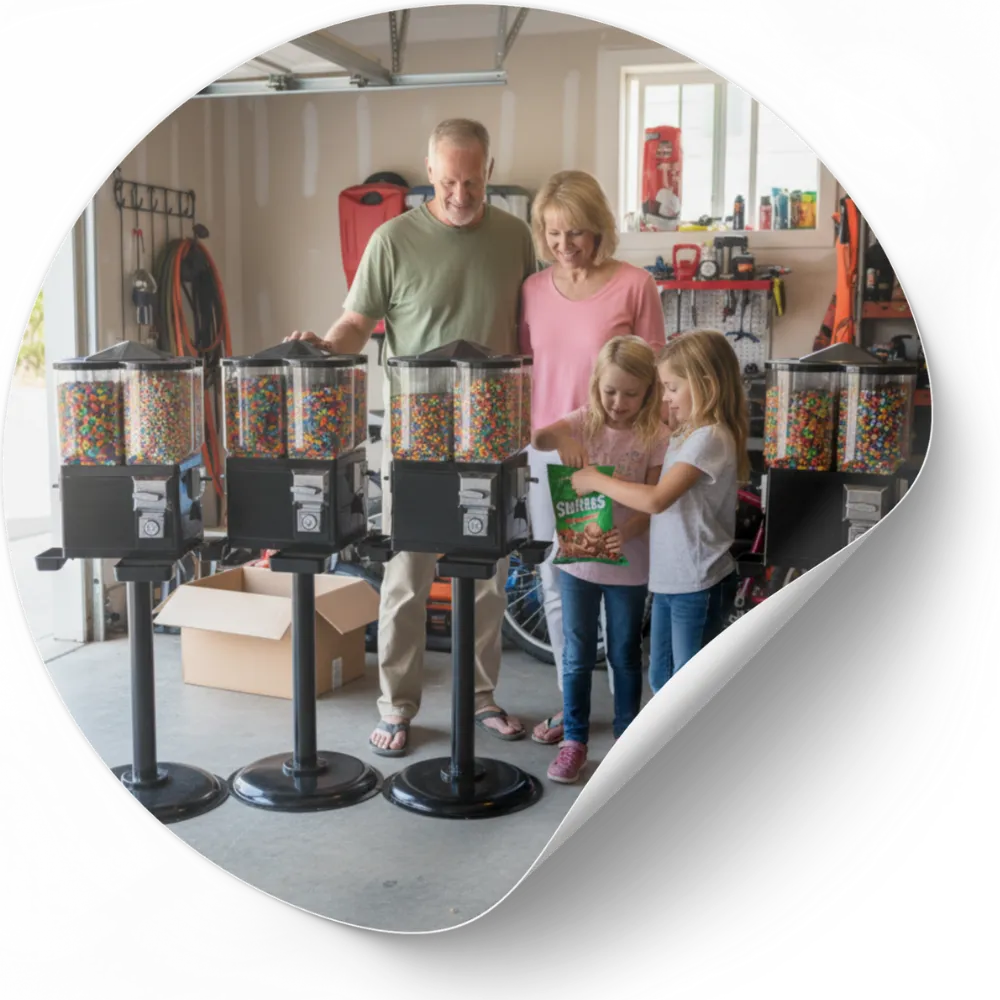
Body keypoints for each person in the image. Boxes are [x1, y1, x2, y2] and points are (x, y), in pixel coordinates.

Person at [286, 118, 537, 756]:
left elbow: (532, 326)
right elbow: (356, 320)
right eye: (449, 180)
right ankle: (397, 705)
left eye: (473, 181)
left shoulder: (514, 236)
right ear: (430, 172)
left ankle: (481, 697)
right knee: (407, 574)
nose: (460, 193)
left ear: (488, 170)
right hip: (416, 436)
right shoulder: (392, 239)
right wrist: (324, 344)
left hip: (491, 432)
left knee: (486, 574)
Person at [517, 168, 667, 747]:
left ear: (600, 227)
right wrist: (547, 437)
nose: (564, 245)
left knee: (621, 587)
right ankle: (571, 706)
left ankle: (628, 718)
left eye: (576, 232)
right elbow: (525, 373)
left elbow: (656, 377)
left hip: (621, 459)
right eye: (553, 234)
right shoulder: (531, 290)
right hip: (552, 455)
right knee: (560, 584)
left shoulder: (634, 285)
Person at [570, 329, 749, 694]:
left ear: (704, 383)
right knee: (662, 681)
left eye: (671, 387)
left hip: (698, 581)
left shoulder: (710, 438)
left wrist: (597, 479)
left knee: (688, 688)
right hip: (672, 580)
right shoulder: (687, 433)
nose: (665, 397)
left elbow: (656, 500)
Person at [530, 336, 670, 783]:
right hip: (576, 564)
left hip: (629, 564)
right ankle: (574, 740)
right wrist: (562, 438)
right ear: (596, 385)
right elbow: (539, 436)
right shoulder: (584, 422)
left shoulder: (656, 436)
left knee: (626, 653)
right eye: (610, 391)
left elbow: (651, 504)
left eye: (631, 393)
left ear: (648, 391)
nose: (619, 402)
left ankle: (628, 738)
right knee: (575, 654)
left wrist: (621, 534)